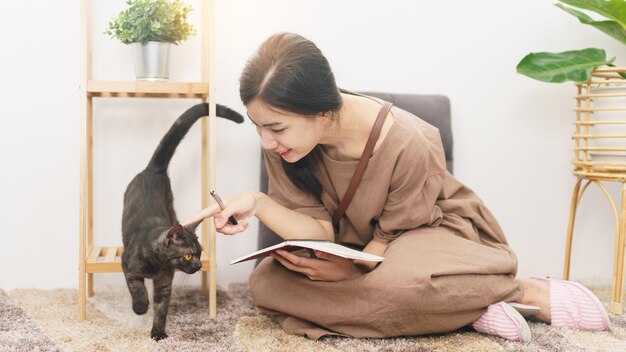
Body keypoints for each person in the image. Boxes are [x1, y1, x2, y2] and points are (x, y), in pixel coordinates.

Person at [185, 32, 610, 342]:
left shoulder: (409, 139)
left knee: (402, 288)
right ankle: (464, 309)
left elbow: (393, 236)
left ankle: (519, 290)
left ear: (321, 110)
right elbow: (320, 232)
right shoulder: (284, 147)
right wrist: (258, 202)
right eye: (259, 128)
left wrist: (351, 270)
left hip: (428, 235)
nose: (266, 141)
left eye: (276, 128)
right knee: (266, 284)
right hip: (355, 247)